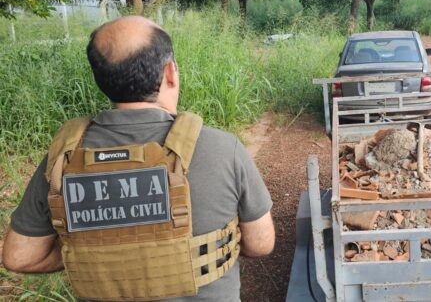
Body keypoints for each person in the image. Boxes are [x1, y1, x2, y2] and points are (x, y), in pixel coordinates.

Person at [2, 16, 275, 301]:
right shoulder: (223, 148)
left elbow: (20, 257)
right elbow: (261, 243)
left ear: (101, 79)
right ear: (170, 72)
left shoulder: (63, 157)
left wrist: (98, 255)